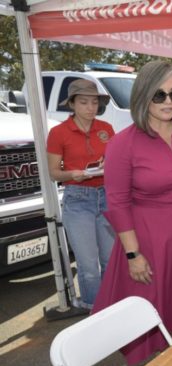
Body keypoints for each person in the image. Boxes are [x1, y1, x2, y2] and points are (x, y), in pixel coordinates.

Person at [93, 61, 172, 366]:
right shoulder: (123, 143)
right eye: (159, 95)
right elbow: (118, 201)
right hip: (150, 241)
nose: (168, 101)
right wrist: (132, 254)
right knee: (150, 311)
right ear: (143, 95)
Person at [46, 79, 116, 310]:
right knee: (88, 265)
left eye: (94, 102)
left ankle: (111, 307)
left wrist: (109, 163)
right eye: (84, 102)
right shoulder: (58, 133)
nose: (90, 107)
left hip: (106, 196)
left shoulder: (106, 128)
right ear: (72, 104)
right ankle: (92, 308)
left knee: (110, 260)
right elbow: (54, 173)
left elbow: (117, 161)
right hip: (77, 199)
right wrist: (72, 174)